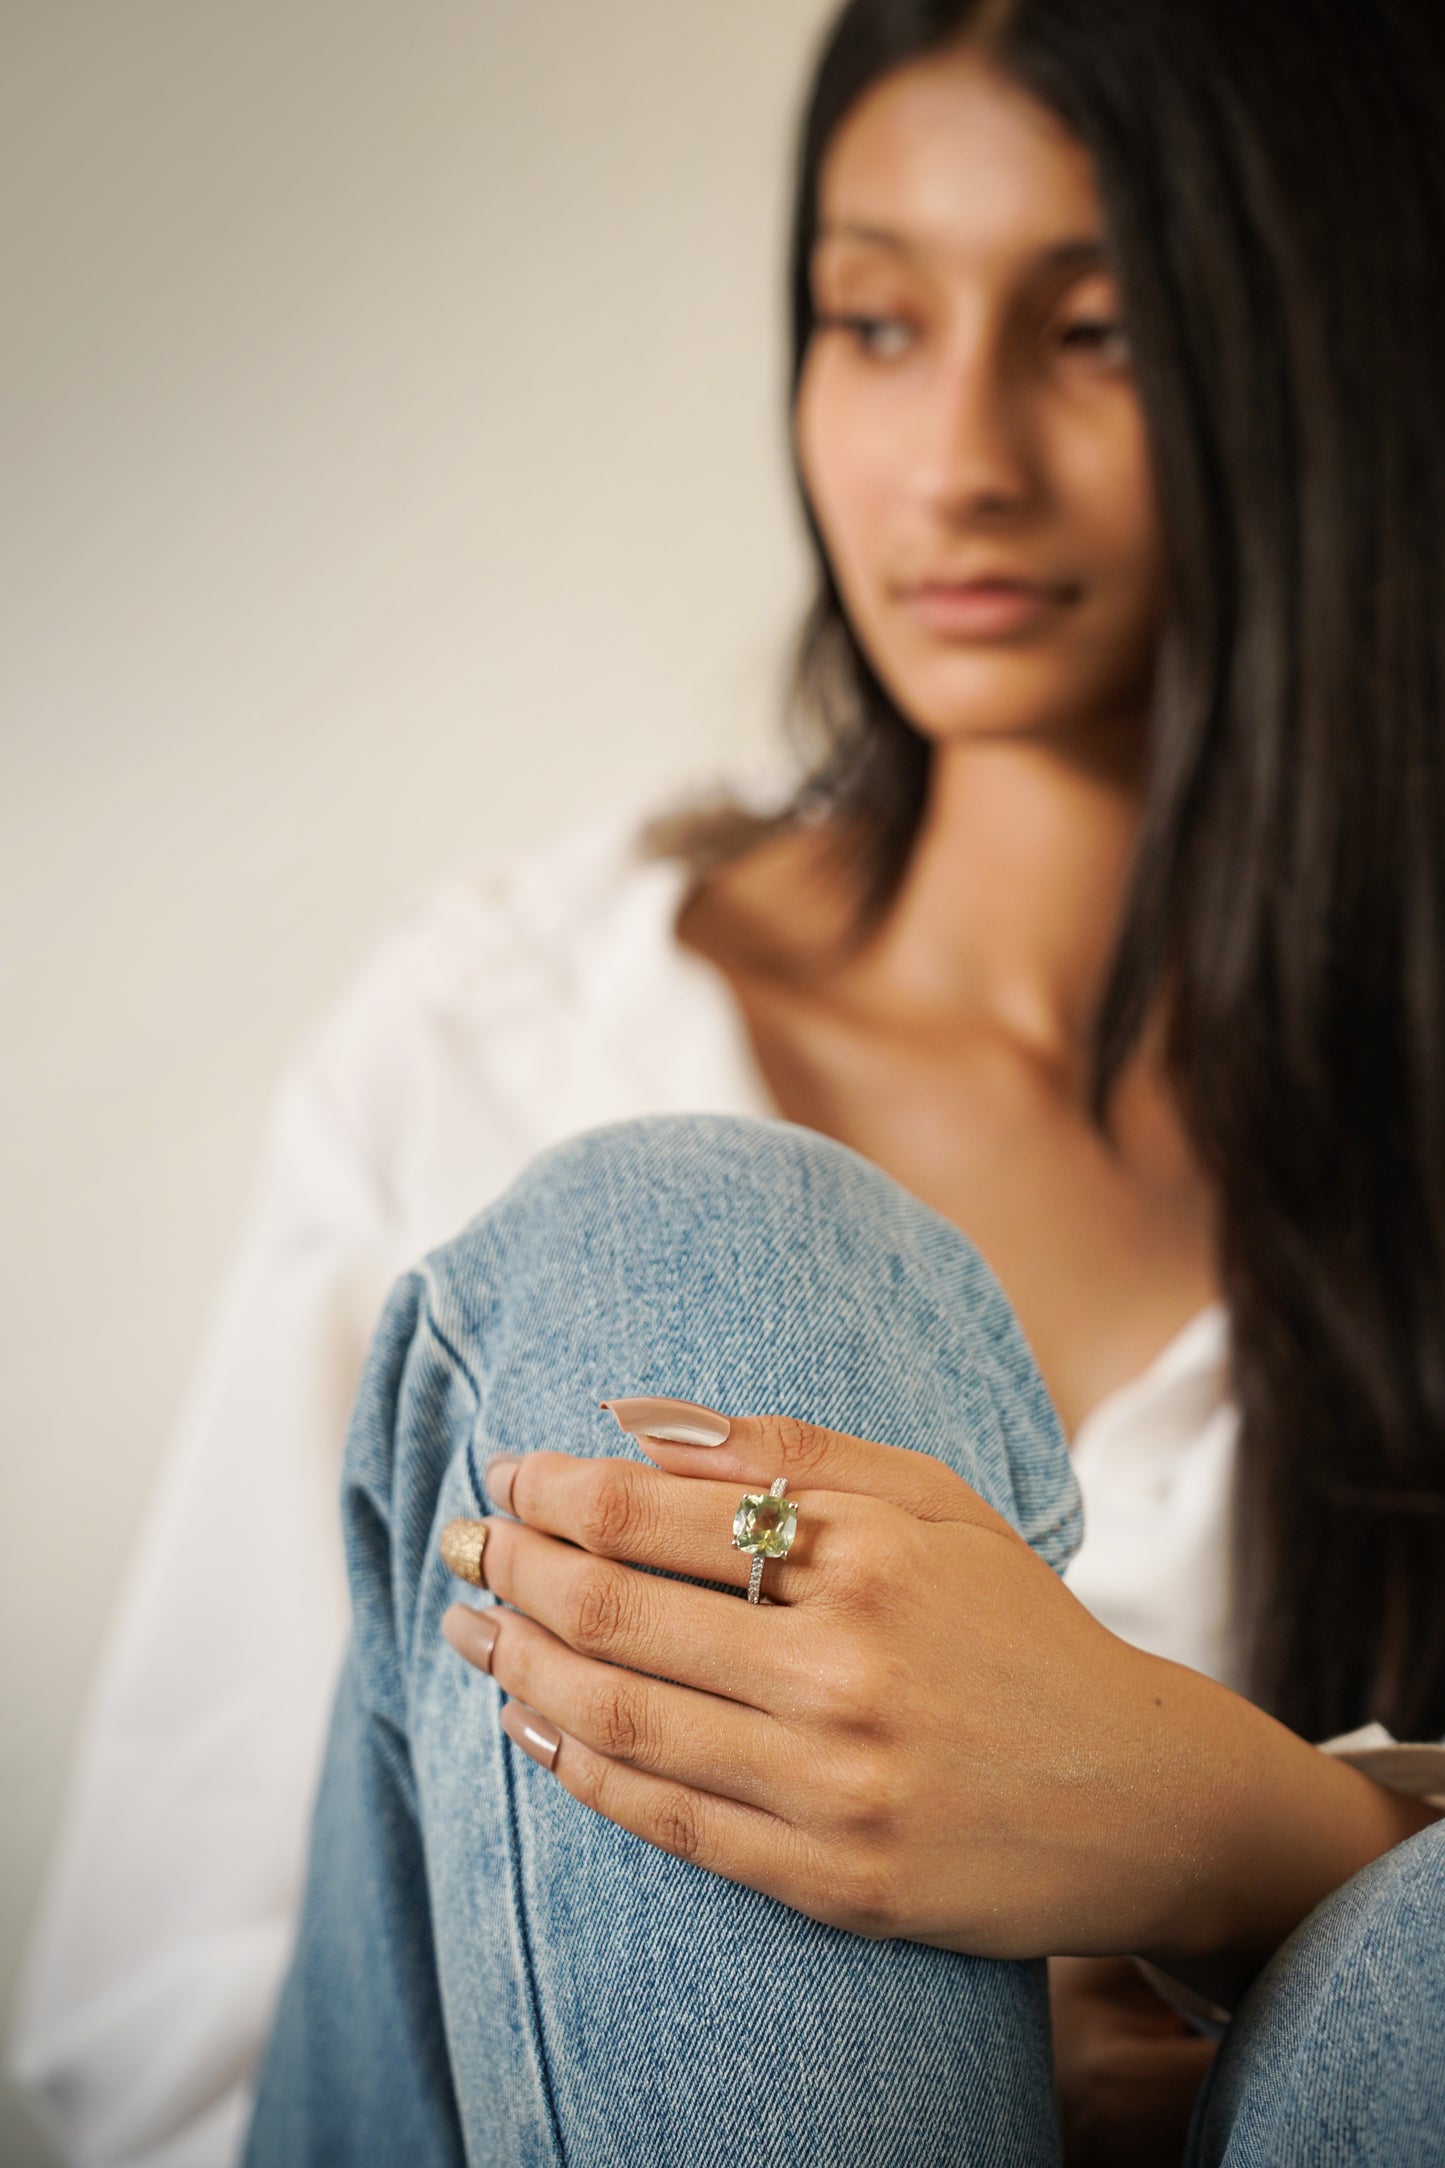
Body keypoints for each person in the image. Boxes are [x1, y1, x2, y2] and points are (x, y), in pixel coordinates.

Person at [13, 0, 1445, 2159]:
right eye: (872, 321)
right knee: (687, 1242)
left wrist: (1245, 1845)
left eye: (1096, 332)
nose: (956, 452)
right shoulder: (509, 1023)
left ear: (1309, 348)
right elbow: (165, 2059)